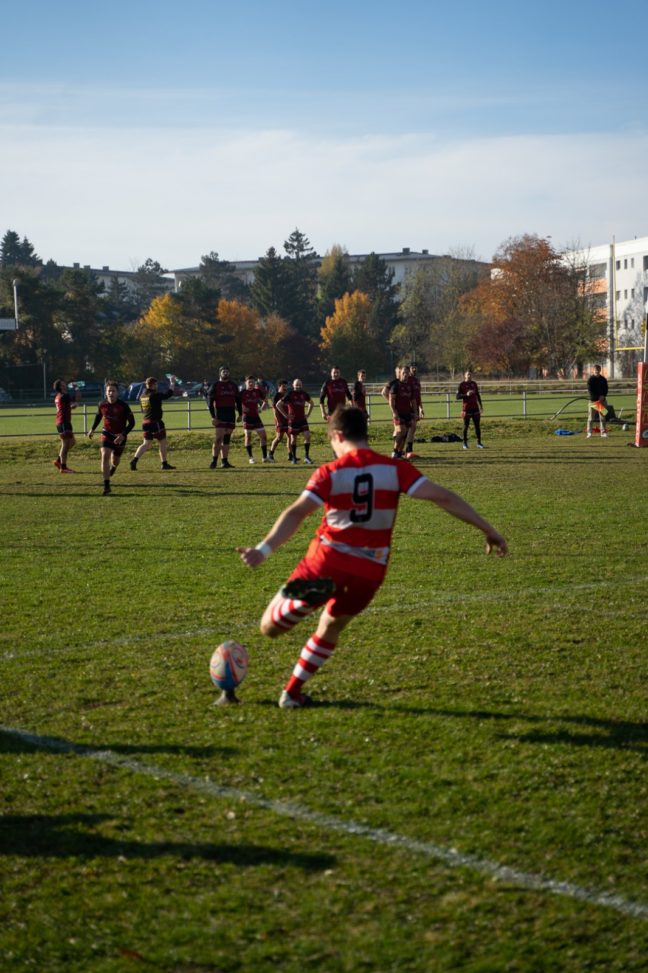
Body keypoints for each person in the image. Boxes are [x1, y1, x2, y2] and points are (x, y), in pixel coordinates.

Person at [236, 406, 507, 708]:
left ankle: (301, 603)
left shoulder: (331, 472)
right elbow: (442, 496)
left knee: (268, 628)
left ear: (337, 436)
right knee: (330, 628)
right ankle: (292, 692)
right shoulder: (395, 469)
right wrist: (488, 529)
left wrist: (264, 549)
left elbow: (298, 512)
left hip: (325, 564)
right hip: (369, 572)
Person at [87, 380, 135, 495]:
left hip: (120, 436)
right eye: (109, 391)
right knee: (105, 456)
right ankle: (106, 485)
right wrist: (92, 429)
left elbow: (132, 423)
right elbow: (98, 416)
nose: (111, 393)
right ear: (106, 392)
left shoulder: (124, 406)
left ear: (117, 393)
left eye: (113, 391)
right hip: (106, 434)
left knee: (115, 461)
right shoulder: (102, 404)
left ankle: (113, 468)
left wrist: (123, 435)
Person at [129, 375, 179, 471]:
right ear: (152, 385)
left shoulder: (142, 396)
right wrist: (172, 383)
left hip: (145, 422)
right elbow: (168, 394)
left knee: (146, 444)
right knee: (162, 442)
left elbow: (143, 410)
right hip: (155, 422)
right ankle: (164, 464)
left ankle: (134, 460)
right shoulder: (154, 395)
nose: (157, 386)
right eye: (156, 384)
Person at [207, 366, 242, 469]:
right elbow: (210, 402)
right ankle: (214, 461)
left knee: (227, 438)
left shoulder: (233, 385)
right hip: (220, 414)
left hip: (231, 414)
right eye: (223, 372)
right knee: (218, 438)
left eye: (227, 371)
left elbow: (238, 400)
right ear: (220, 373)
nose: (225, 373)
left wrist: (240, 414)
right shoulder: (215, 385)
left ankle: (224, 462)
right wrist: (213, 417)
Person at [277, 378, 314, 465]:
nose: (298, 386)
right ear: (293, 385)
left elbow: (311, 403)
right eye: (296, 385)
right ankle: (294, 458)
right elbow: (278, 404)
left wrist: (308, 414)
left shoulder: (304, 394)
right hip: (293, 421)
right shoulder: (290, 394)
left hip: (302, 420)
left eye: (299, 385)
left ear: (302, 385)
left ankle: (306, 457)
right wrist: (286, 415)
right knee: (293, 440)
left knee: (307, 436)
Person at [386, 363, 415, 458]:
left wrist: (415, 412)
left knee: (405, 434)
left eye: (407, 373)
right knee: (401, 432)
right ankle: (394, 451)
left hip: (408, 413)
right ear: (400, 373)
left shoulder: (410, 386)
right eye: (403, 373)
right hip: (399, 413)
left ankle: (399, 453)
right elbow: (391, 399)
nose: (405, 374)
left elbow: (413, 400)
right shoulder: (396, 385)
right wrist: (394, 412)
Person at [241, 374, 271, 464]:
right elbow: (235, 404)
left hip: (256, 417)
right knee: (248, 437)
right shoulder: (242, 393)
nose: (251, 383)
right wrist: (242, 408)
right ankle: (251, 458)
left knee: (263, 437)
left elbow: (266, 400)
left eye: (253, 382)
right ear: (245, 383)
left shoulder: (257, 391)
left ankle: (265, 457)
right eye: (249, 382)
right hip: (246, 417)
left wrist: (261, 408)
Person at [52, 379, 81, 473]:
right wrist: (76, 388)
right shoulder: (64, 396)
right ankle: (63, 468)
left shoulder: (58, 396)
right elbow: (77, 399)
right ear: (61, 386)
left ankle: (58, 460)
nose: (65, 383)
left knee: (72, 442)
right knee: (65, 445)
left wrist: (71, 406)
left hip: (62, 422)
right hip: (63, 422)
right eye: (63, 382)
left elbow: (65, 406)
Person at [456, 369, 484, 449]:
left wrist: (481, 406)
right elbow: (457, 397)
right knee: (466, 426)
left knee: (477, 426)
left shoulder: (474, 384)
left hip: (475, 408)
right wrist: (466, 395)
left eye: (470, 374)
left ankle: (479, 443)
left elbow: (478, 395)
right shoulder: (461, 385)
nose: (469, 376)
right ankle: (465, 443)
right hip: (466, 409)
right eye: (468, 374)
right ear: (465, 376)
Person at [404, 363, 424, 459]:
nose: (414, 369)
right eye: (412, 368)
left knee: (412, 429)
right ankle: (405, 451)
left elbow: (418, 396)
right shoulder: (407, 379)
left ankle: (408, 451)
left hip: (415, 408)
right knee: (408, 429)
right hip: (408, 407)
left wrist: (421, 408)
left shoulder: (417, 381)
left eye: (416, 367)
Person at [269, 379, 290, 461]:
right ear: (279, 387)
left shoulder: (287, 395)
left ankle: (290, 455)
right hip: (280, 420)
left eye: (286, 386)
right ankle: (270, 454)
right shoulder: (276, 396)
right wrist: (277, 420)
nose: (285, 388)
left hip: (287, 419)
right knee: (279, 438)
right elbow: (274, 409)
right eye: (283, 386)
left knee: (290, 436)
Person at [586, 364, 609, 438]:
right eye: (596, 370)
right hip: (594, 401)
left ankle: (603, 432)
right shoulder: (590, 380)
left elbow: (606, 389)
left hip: (602, 400)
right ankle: (589, 432)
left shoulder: (603, 379)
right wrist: (597, 398)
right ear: (593, 370)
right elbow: (590, 391)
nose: (597, 371)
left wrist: (603, 396)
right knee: (591, 418)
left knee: (602, 417)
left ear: (600, 370)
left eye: (598, 370)